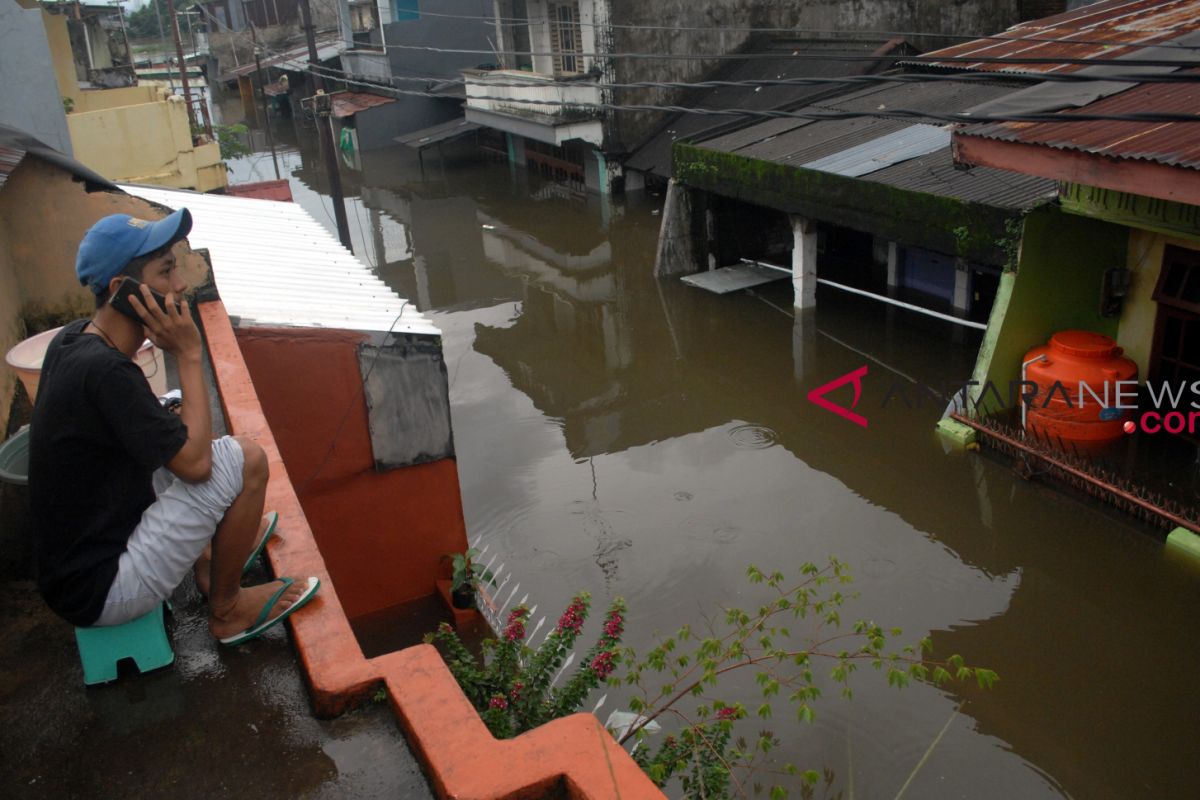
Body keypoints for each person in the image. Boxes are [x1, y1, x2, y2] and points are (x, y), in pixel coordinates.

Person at [28, 209, 319, 646]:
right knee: (245, 461)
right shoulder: (105, 372)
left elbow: (160, 435)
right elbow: (198, 466)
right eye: (166, 271)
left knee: (172, 414)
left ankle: (207, 557)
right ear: (122, 292)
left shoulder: (74, 340)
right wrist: (188, 354)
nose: (181, 284)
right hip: (103, 589)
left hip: (73, 572)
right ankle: (227, 609)